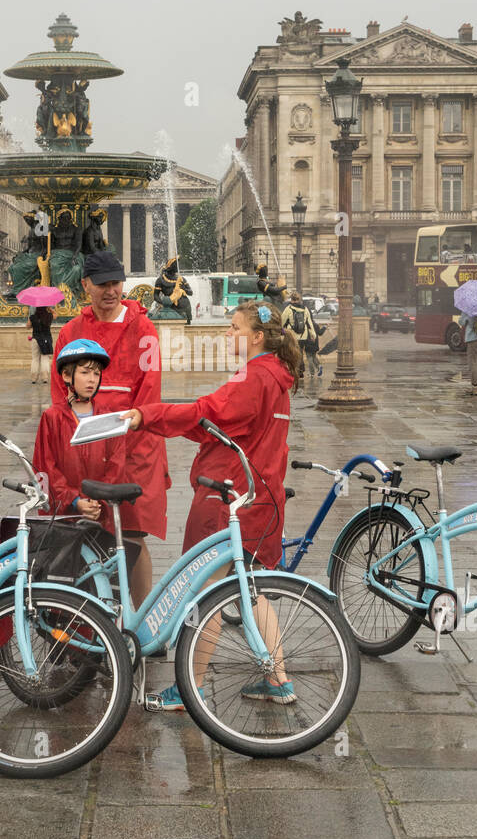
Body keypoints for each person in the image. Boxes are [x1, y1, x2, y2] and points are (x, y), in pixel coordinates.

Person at [122, 299, 301, 710]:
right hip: (262, 497)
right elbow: (217, 427)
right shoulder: (276, 377)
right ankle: (278, 679)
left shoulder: (254, 377)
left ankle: (192, 689)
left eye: (235, 328)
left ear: (258, 337)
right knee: (250, 591)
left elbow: (206, 414)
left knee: (205, 595)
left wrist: (146, 416)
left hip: (228, 498)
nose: (228, 334)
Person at [51, 250, 170, 609]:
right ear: (85, 285)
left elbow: (149, 391)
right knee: (87, 534)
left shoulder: (144, 329)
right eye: (102, 284)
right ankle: (93, 618)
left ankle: (143, 617)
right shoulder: (72, 331)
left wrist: (123, 434)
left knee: (132, 536)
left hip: (134, 450)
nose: (110, 291)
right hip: (86, 450)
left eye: (116, 283)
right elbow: (61, 393)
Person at [33, 339, 126, 530]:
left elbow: (117, 463)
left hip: (99, 512)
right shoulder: (52, 417)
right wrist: (74, 500)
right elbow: (46, 466)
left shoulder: (108, 417)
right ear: (67, 375)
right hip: (65, 515)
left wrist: (97, 498)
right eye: (84, 373)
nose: (92, 379)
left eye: (96, 373)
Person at [282, 292, 321, 378]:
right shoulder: (305, 309)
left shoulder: (288, 309)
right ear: (299, 300)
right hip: (303, 336)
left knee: (292, 353)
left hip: (292, 336)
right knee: (300, 353)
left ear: (291, 300)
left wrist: (281, 330)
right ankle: (300, 371)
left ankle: (295, 370)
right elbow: (309, 323)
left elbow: (282, 321)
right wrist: (313, 335)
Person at [28, 305, 54, 384]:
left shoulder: (32, 317)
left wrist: (30, 321)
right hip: (46, 339)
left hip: (36, 339)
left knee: (35, 359)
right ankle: (45, 378)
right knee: (45, 358)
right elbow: (56, 315)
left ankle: (34, 378)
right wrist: (50, 309)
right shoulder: (49, 316)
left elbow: (28, 326)